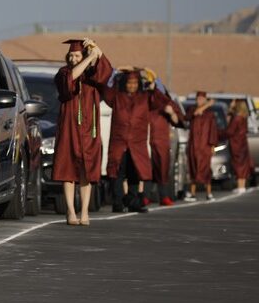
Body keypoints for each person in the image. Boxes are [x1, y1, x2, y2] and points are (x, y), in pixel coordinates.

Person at [52, 39, 112, 226]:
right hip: (69, 128)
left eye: (77, 55)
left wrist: (97, 51)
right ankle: (70, 211)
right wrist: (89, 58)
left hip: (89, 130)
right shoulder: (63, 73)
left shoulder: (92, 76)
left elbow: (107, 72)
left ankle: (84, 211)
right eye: (71, 55)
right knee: (68, 170)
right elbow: (70, 79)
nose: (73, 57)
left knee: (87, 171)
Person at [103, 69, 170, 213]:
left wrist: (154, 80)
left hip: (137, 143)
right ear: (124, 84)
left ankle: (133, 202)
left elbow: (162, 99)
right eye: (129, 83)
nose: (132, 85)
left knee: (134, 174)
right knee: (117, 173)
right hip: (119, 142)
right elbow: (106, 91)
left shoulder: (145, 97)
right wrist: (115, 73)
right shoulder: (116, 96)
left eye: (134, 83)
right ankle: (118, 202)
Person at [146, 73, 185, 206]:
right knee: (145, 168)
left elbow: (178, 121)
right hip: (145, 139)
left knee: (162, 168)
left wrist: (172, 113)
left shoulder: (166, 103)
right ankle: (145, 196)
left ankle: (163, 195)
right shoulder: (145, 100)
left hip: (160, 139)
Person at [184, 91, 218, 202]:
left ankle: (209, 193)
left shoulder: (210, 114)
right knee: (193, 169)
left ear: (205, 99)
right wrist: (207, 104)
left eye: (202, 99)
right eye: (198, 99)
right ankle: (193, 194)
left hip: (205, 147)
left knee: (205, 170)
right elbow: (189, 116)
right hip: (194, 146)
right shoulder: (192, 109)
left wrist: (213, 146)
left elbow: (213, 131)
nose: (200, 101)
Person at [222, 99, 254, 193]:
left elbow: (230, 131)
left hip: (237, 143)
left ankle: (240, 186)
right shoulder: (244, 117)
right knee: (243, 164)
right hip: (242, 143)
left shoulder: (237, 118)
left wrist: (220, 133)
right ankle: (242, 185)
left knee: (238, 164)